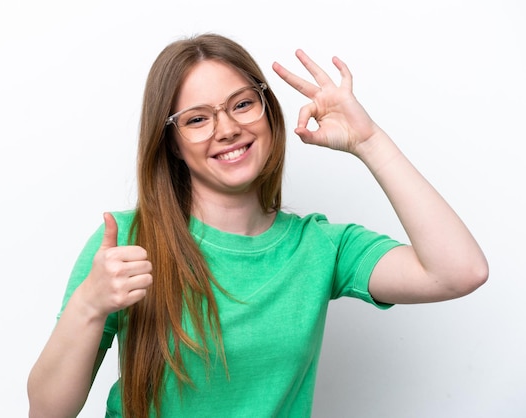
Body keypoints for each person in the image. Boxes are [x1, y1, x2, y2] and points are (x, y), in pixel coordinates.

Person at [27, 33, 488, 418]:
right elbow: (47, 412)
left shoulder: (320, 246)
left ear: (267, 111)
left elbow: (458, 271)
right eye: (197, 119)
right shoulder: (125, 245)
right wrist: (89, 305)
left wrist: (370, 142)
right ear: (171, 143)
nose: (226, 128)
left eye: (242, 104)